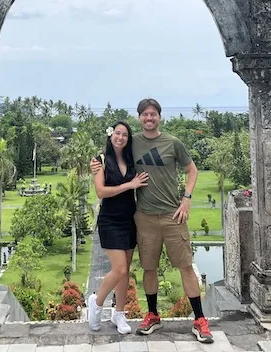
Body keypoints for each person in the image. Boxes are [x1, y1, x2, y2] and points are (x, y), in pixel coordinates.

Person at [90, 98, 213, 344]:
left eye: (153, 114)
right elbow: (114, 151)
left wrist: (187, 198)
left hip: (172, 214)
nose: (149, 118)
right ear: (139, 118)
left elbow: (192, 170)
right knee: (149, 268)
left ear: (159, 117)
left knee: (185, 266)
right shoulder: (132, 142)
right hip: (143, 216)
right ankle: (153, 315)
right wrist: (97, 162)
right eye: (144, 114)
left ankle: (199, 319)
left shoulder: (172, 143)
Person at [87, 121, 149, 334]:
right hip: (110, 221)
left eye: (124, 134)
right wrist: (129, 185)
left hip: (129, 219)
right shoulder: (100, 161)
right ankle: (96, 302)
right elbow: (101, 192)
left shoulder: (131, 159)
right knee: (119, 268)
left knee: (125, 272)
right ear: (110, 135)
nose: (120, 137)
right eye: (117, 133)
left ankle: (119, 314)